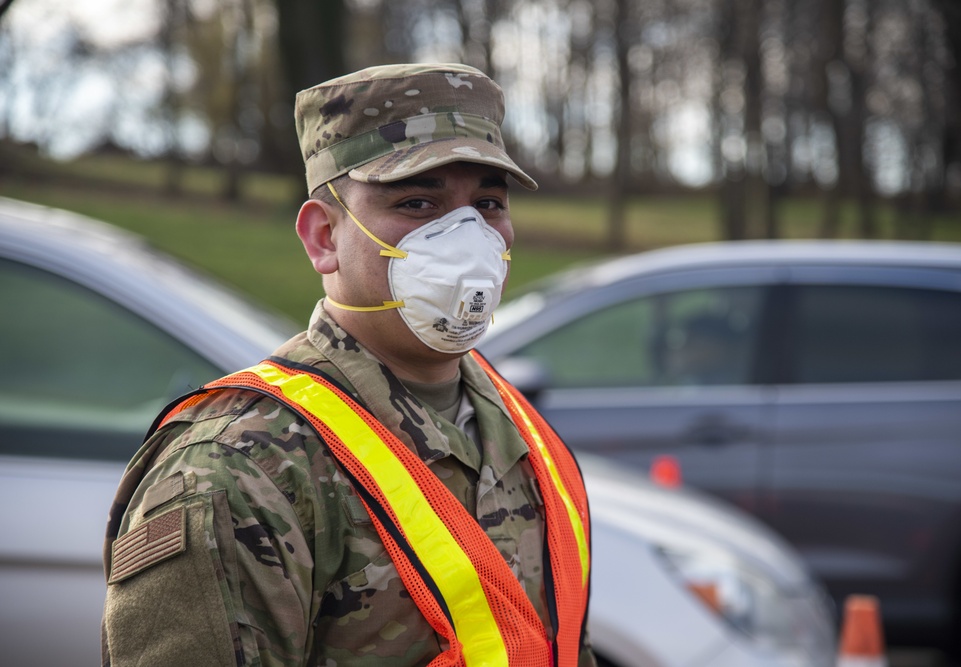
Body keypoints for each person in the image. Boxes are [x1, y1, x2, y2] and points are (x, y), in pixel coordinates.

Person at [101, 63, 594, 667]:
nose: (468, 236)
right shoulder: (239, 470)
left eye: (488, 204)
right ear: (323, 237)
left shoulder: (523, 435)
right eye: (417, 202)